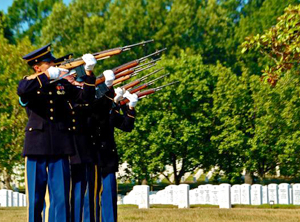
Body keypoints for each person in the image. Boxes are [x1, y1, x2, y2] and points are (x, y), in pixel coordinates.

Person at [17, 44, 96, 222]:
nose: (53, 65)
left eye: (53, 62)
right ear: (37, 67)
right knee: (35, 199)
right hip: (36, 147)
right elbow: (22, 90)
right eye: (48, 63)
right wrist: (46, 76)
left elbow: (85, 98)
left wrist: (90, 74)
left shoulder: (61, 85)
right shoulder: (30, 82)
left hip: (60, 147)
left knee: (61, 199)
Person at [84, 82, 138, 222]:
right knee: (92, 199)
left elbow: (126, 126)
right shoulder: (93, 109)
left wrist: (130, 107)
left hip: (108, 157)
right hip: (93, 157)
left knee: (109, 197)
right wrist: (113, 103)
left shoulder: (110, 110)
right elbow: (96, 121)